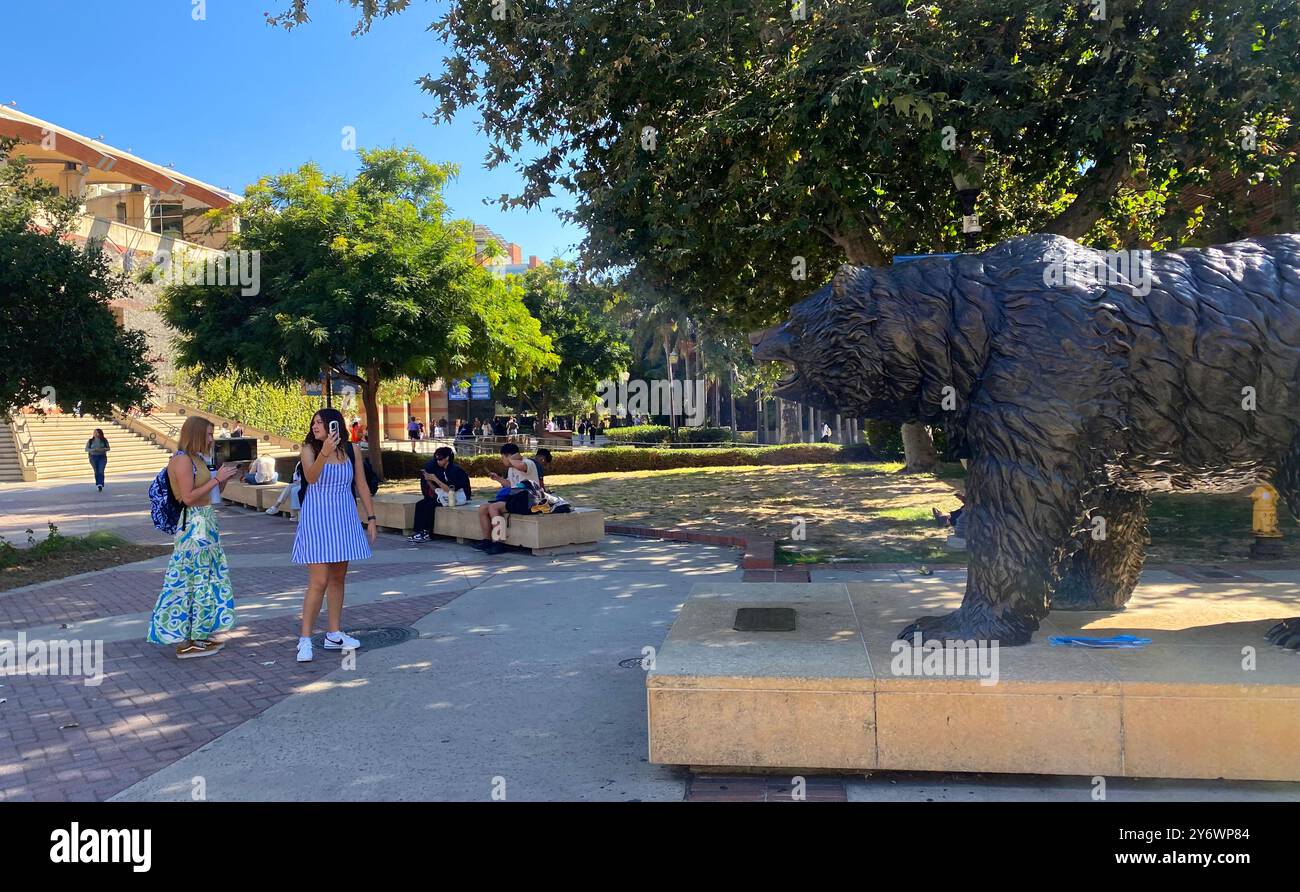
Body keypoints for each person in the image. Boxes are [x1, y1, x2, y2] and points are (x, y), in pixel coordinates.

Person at [146, 416, 239, 659]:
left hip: (204, 521)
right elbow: (187, 497)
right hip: (193, 524)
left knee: (205, 578)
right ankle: (189, 640)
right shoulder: (182, 460)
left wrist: (223, 480)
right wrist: (217, 479)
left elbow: (210, 495)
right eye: (208, 434)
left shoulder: (197, 458)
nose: (212, 439)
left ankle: (199, 633)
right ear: (196, 434)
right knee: (192, 578)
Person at [292, 408, 378, 662]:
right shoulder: (309, 449)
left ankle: (334, 633)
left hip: (344, 517)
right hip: (317, 519)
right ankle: (305, 640)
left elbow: (360, 484)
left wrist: (371, 518)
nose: (315, 425)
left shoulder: (352, 450)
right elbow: (311, 477)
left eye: (321, 422)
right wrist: (325, 453)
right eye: (314, 421)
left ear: (334, 425)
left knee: (338, 578)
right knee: (318, 581)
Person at [475, 443, 542, 555]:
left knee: (493, 507)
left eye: (503, 457)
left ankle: (498, 542)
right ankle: (486, 540)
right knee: (483, 508)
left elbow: (521, 467)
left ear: (509, 456)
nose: (502, 461)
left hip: (529, 500)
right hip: (515, 498)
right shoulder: (511, 469)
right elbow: (510, 484)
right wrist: (497, 478)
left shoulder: (527, 463)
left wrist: (512, 459)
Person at [408, 446, 473, 542]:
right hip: (448, 496)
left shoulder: (455, 470)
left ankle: (427, 533)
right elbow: (437, 490)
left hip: (459, 497)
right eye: (436, 459)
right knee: (421, 504)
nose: (437, 461)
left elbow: (450, 490)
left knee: (430, 505)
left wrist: (435, 479)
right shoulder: (442, 470)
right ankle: (419, 531)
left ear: (447, 458)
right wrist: (429, 480)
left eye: (440, 459)